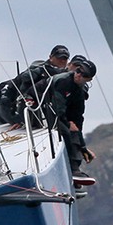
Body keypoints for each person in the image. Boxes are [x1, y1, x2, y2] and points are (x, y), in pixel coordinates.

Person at [45, 56, 97, 186]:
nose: (78, 74)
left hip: (56, 110)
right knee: (66, 130)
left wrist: (83, 147)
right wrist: (68, 124)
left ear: (88, 79)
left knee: (74, 131)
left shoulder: (79, 92)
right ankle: (72, 170)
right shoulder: (64, 81)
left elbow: (78, 119)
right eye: (78, 70)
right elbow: (58, 108)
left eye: (83, 74)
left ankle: (75, 170)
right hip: (41, 105)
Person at [0, 45, 70, 126]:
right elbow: (24, 84)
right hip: (5, 102)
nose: (62, 61)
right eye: (59, 58)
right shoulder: (39, 69)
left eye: (65, 58)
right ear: (50, 57)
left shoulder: (68, 75)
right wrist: (18, 120)